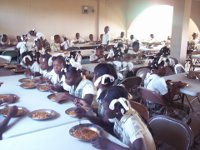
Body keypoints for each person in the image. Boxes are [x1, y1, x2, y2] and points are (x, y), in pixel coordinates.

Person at [91, 86, 156, 150]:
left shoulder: (131, 123)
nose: (104, 112)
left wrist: (108, 145)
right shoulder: (120, 113)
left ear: (116, 110)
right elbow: (104, 121)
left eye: (105, 108)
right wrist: (86, 116)